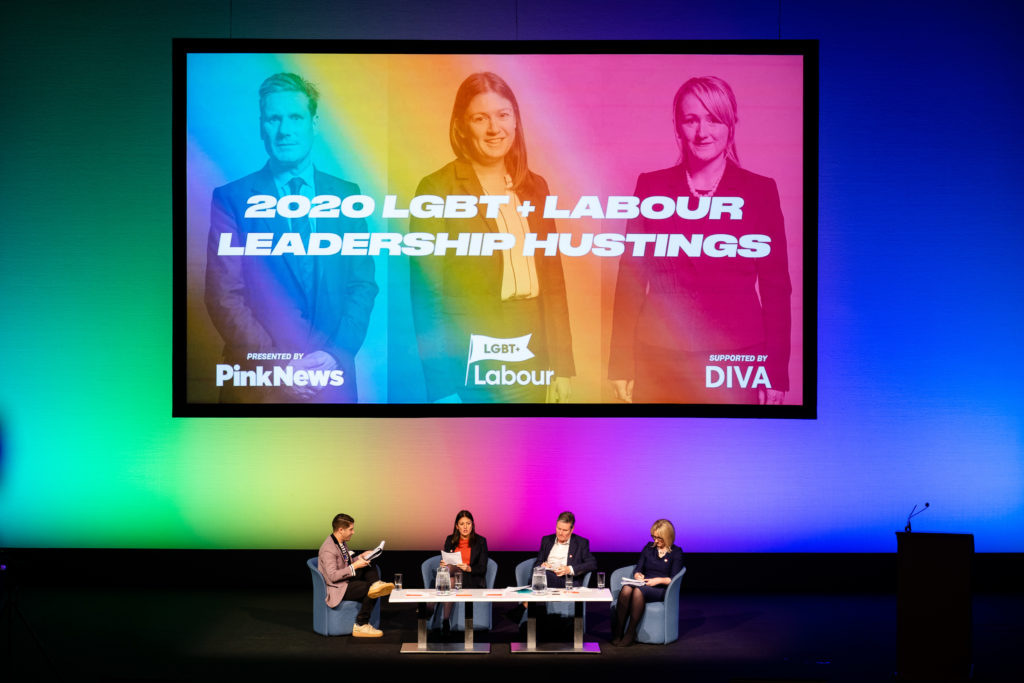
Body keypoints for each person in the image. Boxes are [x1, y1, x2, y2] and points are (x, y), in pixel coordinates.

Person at [609, 76, 791, 405]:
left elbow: (777, 287)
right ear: (678, 127)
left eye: (713, 119)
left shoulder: (760, 191)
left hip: (737, 360)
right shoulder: (651, 187)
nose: (702, 132)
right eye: (691, 119)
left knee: (729, 452)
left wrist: (775, 370)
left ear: (731, 125)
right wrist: (620, 363)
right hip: (658, 357)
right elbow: (630, 279)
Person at [205, 72, 378, 403]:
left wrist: (334, 356)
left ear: (314, 123)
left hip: (333, 382)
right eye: (274, 119)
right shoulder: (231, 199)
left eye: (295, 117)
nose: (284, 130)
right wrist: (280, 368)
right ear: (261, 127)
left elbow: (362, 286)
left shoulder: (347, 196)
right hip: (258, 386)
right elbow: (224, 296)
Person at [409, 71, 574, 404]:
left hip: (532, 355)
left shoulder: (535, 187)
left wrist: (561, 367)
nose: (494, 128)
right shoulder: (437, 189)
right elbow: (427, 297)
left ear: (516, 122)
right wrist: (442, 387)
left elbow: (552, 281)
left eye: (503, 115)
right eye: (480, 118)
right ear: (462, 126)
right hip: (470, 360)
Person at [317, 513, 394, 637]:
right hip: (338, 587)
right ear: (341, 530)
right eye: (351, 529)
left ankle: (376, 584)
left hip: (345, 580)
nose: (353, 532)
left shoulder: (340, 541)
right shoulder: (328, 549)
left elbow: (345, 563)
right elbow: (332, 576)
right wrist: (354, 566)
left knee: (369, 564)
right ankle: (361, 625)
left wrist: (361, 557)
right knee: (370, 589)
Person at [611, 519, 685, 647]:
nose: (656, 541)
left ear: (667, 536)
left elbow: (673, 578)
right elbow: (638, 567)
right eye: (654, 537)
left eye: (659, 538)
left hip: (661, 589)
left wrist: (658, 580)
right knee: (627, 589)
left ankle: (630, 633)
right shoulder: (648, 548)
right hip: (644, 584)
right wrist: (637, 575)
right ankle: (618, 631)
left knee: (638, 592)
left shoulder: (676, 553)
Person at [437, 509, 489, 634]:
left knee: (448, 573)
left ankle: (431, 606)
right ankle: (445, 622)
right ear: (456, 526)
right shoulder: (450, 539)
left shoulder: (481, 541)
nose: (465, 527)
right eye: (462, 524)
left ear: (472, 525)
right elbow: (446, 558)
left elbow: (483, 568)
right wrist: (443, 563)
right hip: (453, 577)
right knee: (450, 576)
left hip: (471, 578)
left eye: (468, 523)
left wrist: (469, 568)